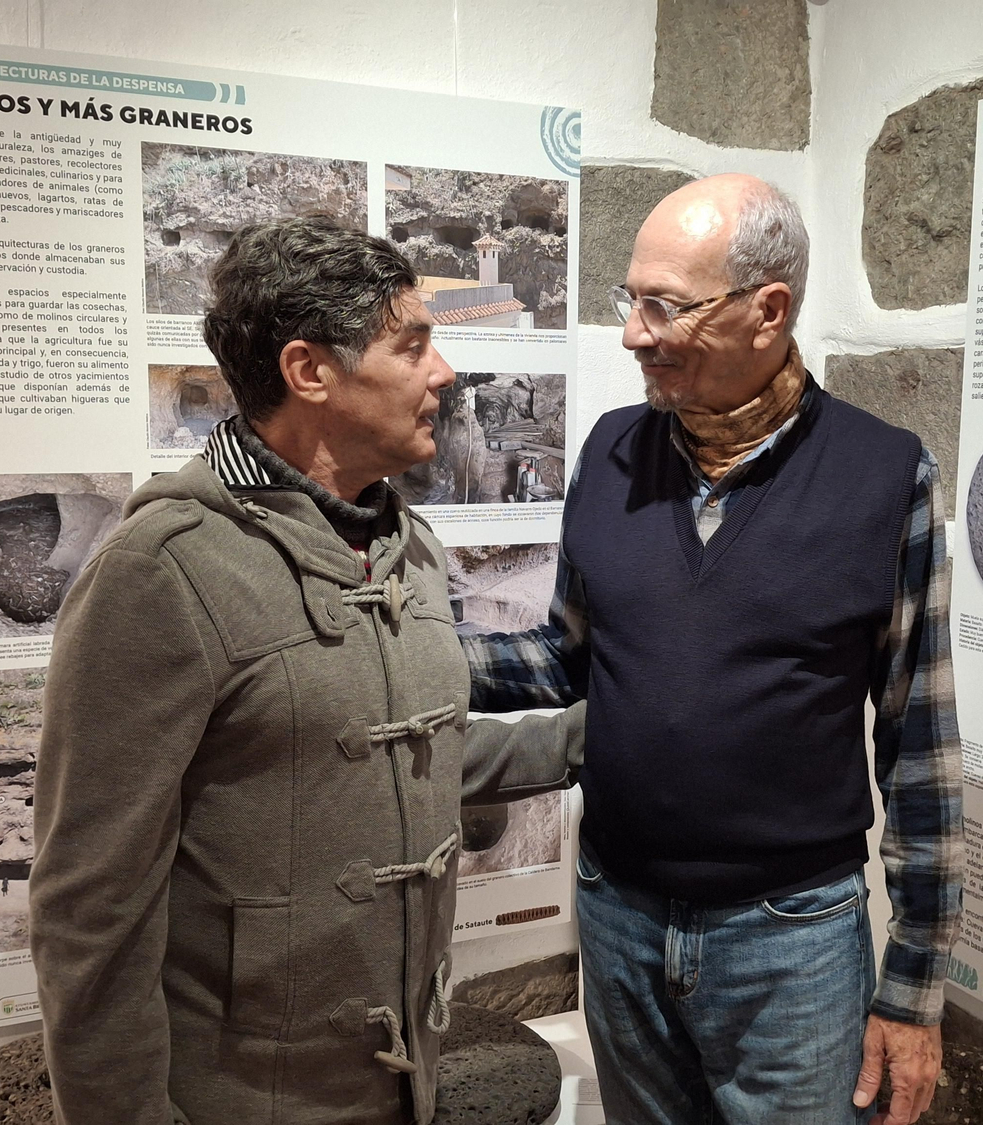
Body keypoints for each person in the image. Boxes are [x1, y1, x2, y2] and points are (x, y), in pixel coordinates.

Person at [30, 216, 585, 1125]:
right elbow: (89, 906)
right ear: (311, 371)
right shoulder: (162, 571)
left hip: (403, 1079)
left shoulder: (401, 546)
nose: (444, 373)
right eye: (413, 345)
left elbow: (394, 764)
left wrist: (606, 732)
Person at [464, 175, 962, 1125]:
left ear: (768, 310)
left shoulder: (883, 474)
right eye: (630, 299)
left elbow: (920, 748)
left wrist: (913, 990)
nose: (632, 333)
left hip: (791, 942)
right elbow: (563, 657)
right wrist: (406, 659)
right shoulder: (611, 453)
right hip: (618, 916)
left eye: (663, 306)